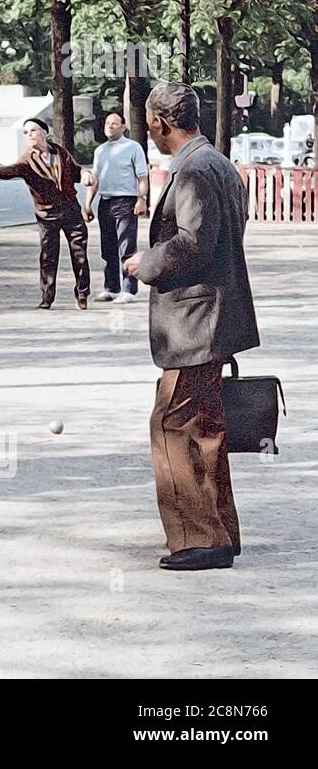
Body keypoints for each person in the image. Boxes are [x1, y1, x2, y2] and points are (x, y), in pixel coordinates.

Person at [123, 81, 259, 572]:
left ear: (160, 123)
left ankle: (198, 538)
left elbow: (195, 242)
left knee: (171, 424)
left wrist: (148, 262)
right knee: (205, 427)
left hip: (194, 322)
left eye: (150, 124)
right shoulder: (217, 162)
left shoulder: (196, 169)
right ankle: (220, 531)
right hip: (212, 316)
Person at [0, 117, 93, 310]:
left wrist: (86, 173)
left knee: (79, 253)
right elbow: (14, 169)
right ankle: (47, 297)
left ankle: (82, 293)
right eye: (26, 133)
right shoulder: (27, 159)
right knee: (48, 255)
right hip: (47, 214)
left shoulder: (60, 152)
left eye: (33, 131)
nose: (29, 135)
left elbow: (75, 170)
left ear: (44, 133)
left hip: (71, 209)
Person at [83, 111, 149, 303]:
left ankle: (129, 289)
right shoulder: (100, 150)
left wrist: (141, 198)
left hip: (126, 202)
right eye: (107, 124)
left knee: (127, 246)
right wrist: (87, 204)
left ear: (123, 127)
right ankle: (110, 288)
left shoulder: (132, 147)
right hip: (105, 201)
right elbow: (95, 179)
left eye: (115, 123)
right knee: (107, 247)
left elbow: (142, 177)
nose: (110, 126)